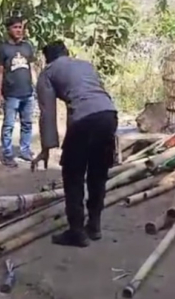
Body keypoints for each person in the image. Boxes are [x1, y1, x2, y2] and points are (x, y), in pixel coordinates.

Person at [31, 40, 117, 247]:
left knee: (73, 175)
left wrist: (46, 148)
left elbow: (47, 113)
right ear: (67, 53)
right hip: (109, 114)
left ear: (47, 58)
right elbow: (96, 96)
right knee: (98, 173)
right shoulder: (85, 65)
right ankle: (94, 226)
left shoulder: (48, 72)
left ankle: (76, 231)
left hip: (85, 120)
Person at [0, 16, 36, 168]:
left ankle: (25, 151)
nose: (19, 30)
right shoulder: (3, 49)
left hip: (28, 93)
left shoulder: (27, 47)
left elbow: (31, 68)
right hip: (11, 94)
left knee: (27, 124)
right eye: (15, 27)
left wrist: (35, 87)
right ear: (8, 30)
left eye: (20, 27)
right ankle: (7, 154)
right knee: (9, 125)